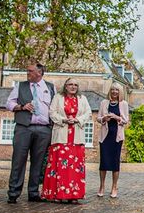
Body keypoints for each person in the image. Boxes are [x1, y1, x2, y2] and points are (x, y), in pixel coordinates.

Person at [6, 63, 56, 203]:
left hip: (44, 129)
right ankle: (13, 193)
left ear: (39, 72)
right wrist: (21, 107)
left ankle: (33, 193)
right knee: (18, 161)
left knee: (38, 162)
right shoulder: (20, 86)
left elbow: (55, 107)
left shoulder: (50, 87)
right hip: (24, 128)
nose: (27, 73)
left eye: (30, 71)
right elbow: (8, 103)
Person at [41, 78, 91, 202]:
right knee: (59, 167)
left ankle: (74, 195)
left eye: (75, 85)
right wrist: (63, 120)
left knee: (74, 168)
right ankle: (57, 194)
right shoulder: (58, 97)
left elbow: (88, 113)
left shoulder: (82, 99)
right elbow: (52, 112)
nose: (73, 87)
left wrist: (77, 120)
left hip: (76, 138)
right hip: (61, 137)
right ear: (66, 86)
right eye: (70, 84)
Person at [97, 82, 129, 198]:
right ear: (110, 91)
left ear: (120, 92)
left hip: (117, 137)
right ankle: (101, 186)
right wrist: (104, 118)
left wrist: (117, 118)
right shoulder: (104, 103)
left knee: (115, 162)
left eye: (116, 90)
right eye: (112, 90)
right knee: (104, 162)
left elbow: (125, 121)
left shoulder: (123, 104)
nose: (114, 92)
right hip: (105, 136)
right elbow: (98, 118)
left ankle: (114, 187)